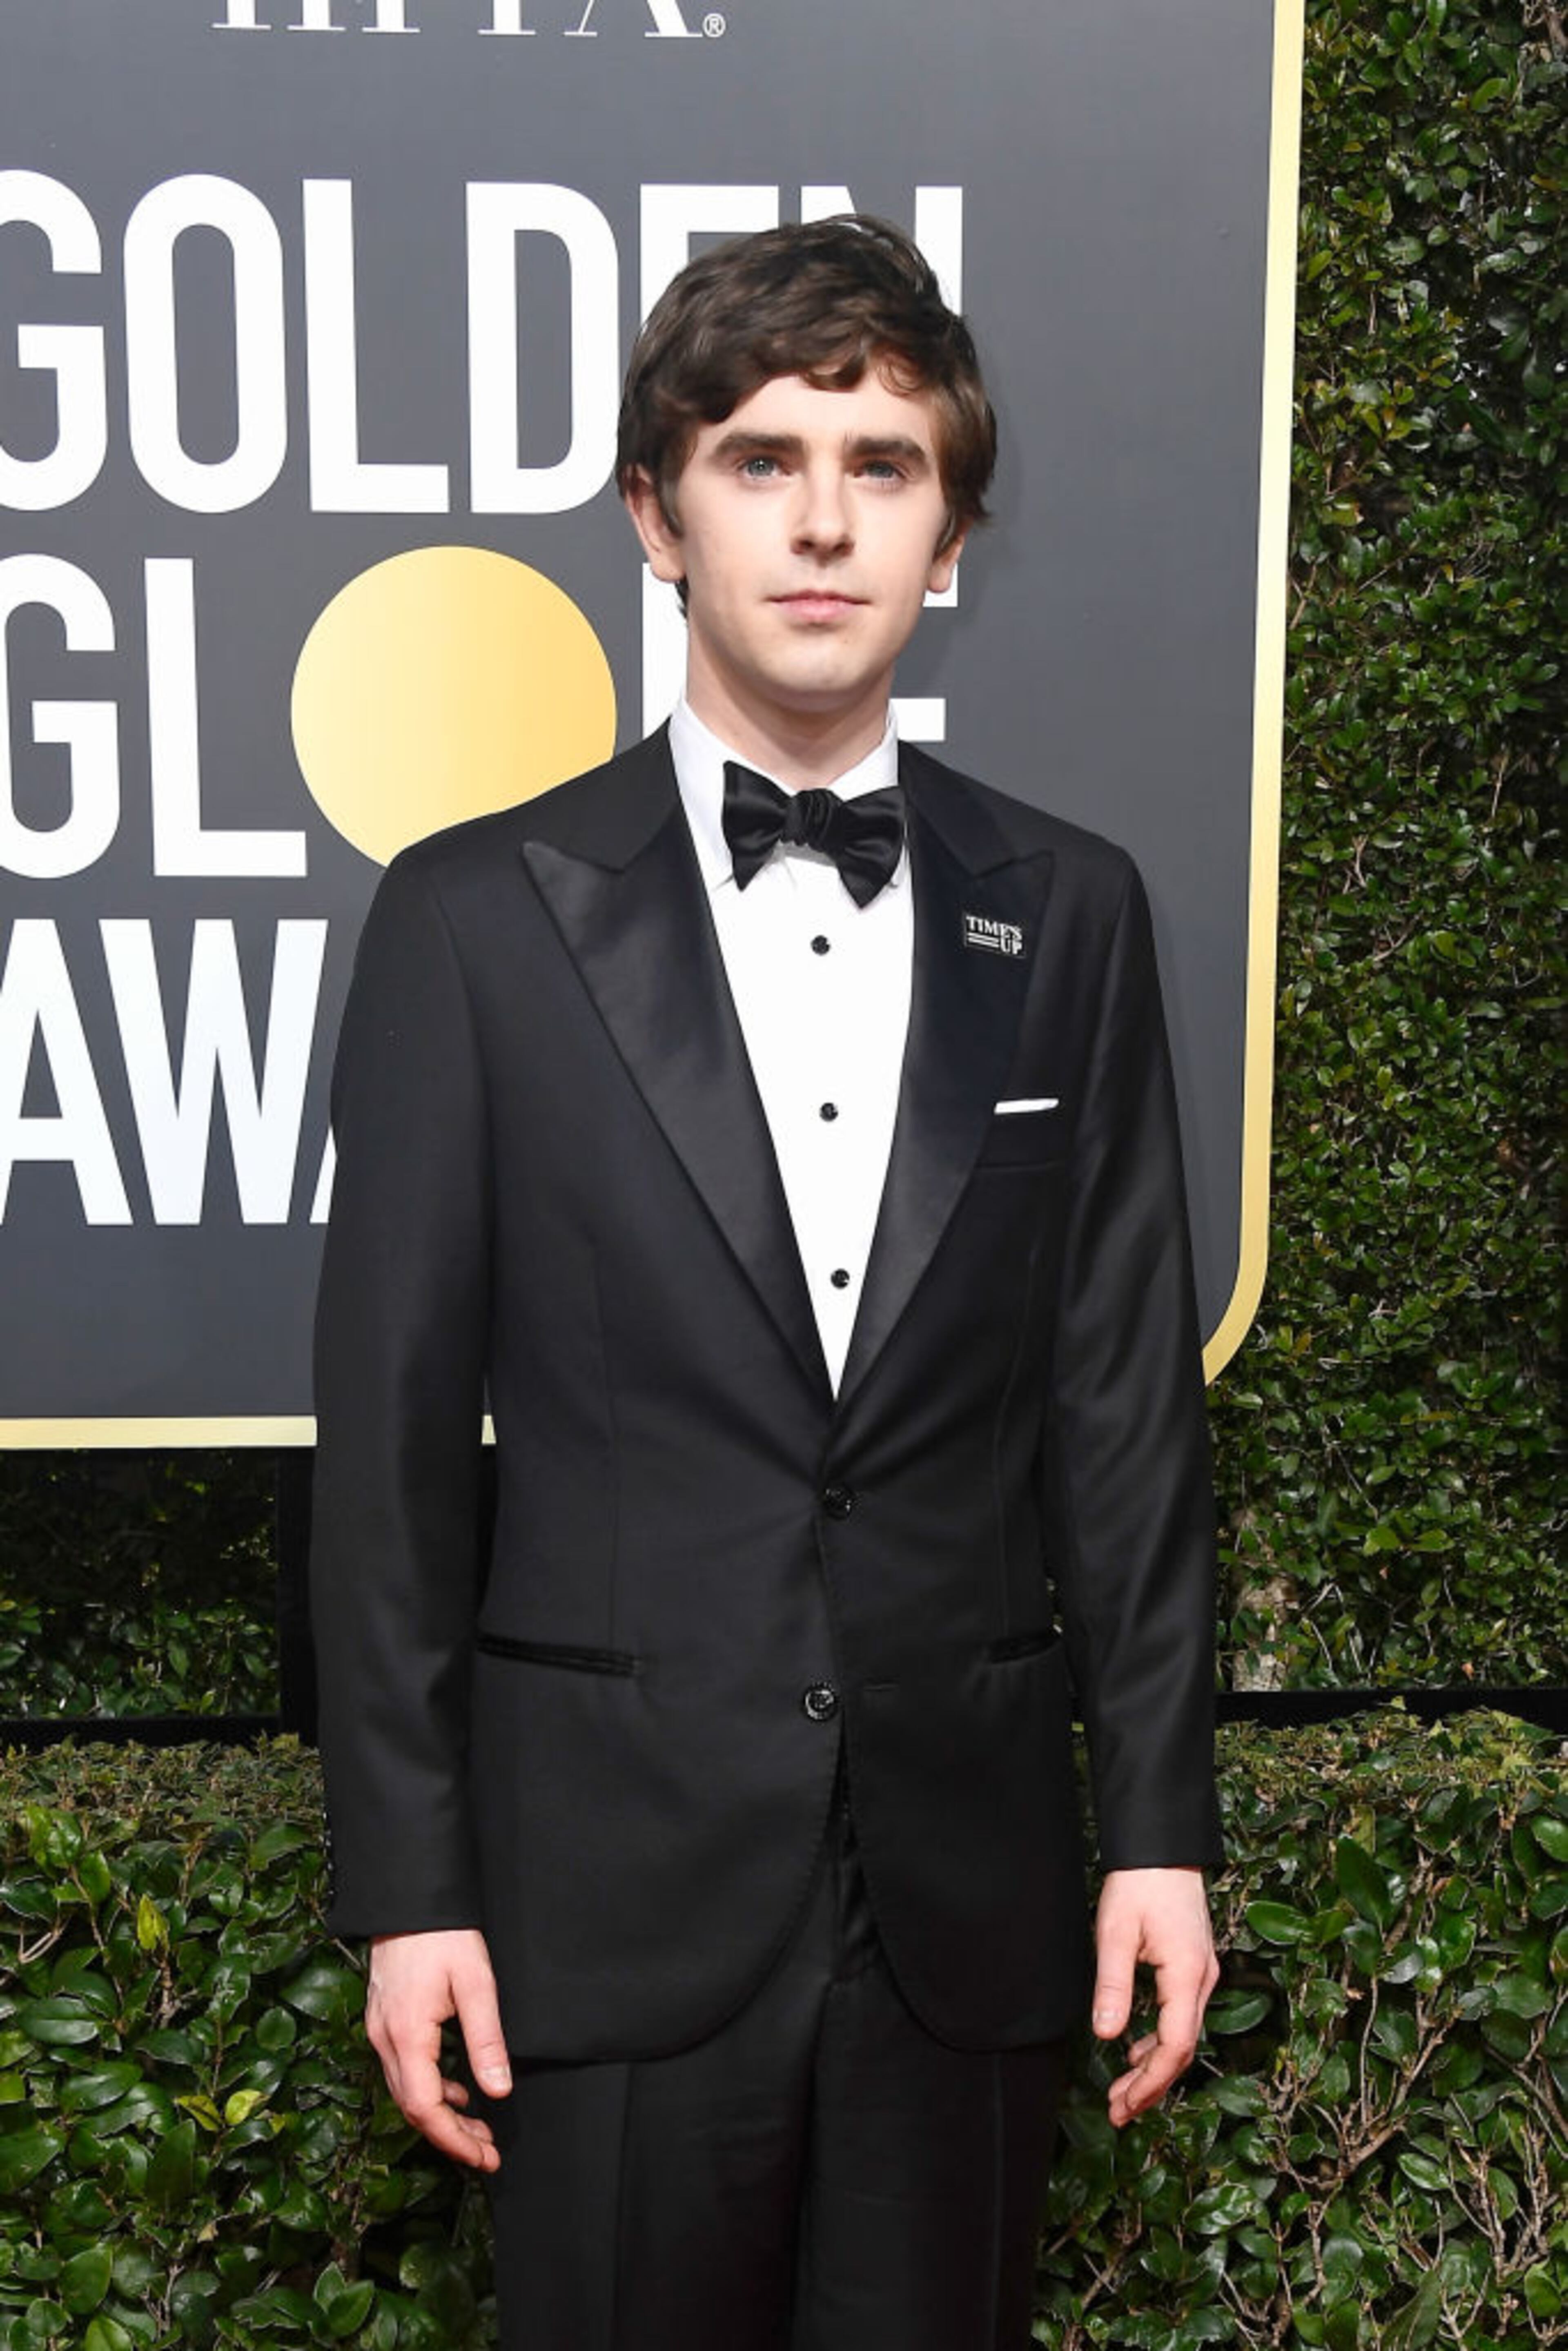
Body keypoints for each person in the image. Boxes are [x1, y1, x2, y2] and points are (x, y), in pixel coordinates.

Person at [310, 213, 1224, 2351]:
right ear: (659, 512)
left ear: (952, 526)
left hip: (968, 1898)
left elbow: (1122, 1413)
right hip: (606, 1902)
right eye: (761, 456)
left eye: (885, 464)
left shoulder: (1072, 911)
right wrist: (410, 1889)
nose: (823, 520)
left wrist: (1160, 1826)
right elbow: (388, 1458)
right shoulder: (472, 922)